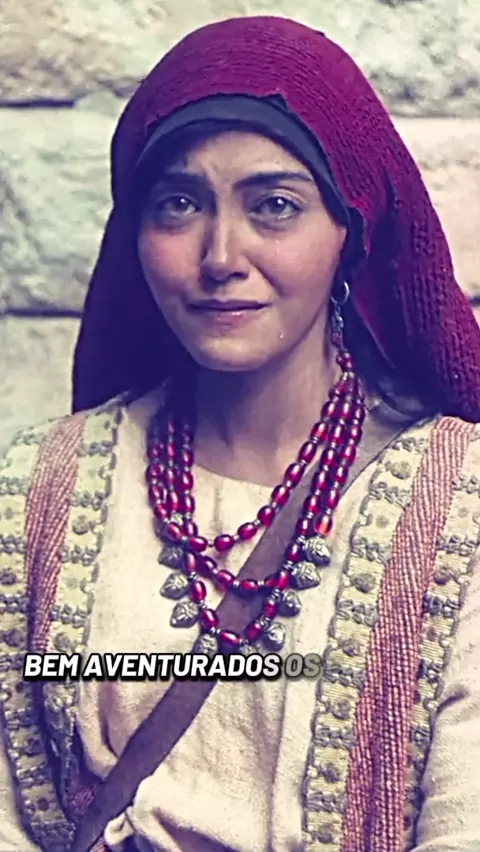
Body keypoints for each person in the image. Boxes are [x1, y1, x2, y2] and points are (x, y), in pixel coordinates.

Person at [1, 14, 480, 852]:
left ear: (350, 232)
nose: (221, 254)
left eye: (275, 206)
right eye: (179, 204)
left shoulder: (460, 506)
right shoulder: (37, 487)